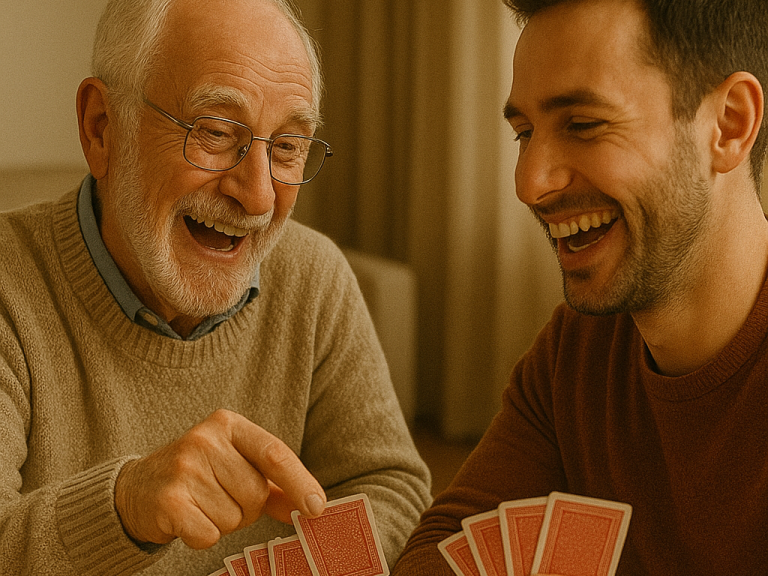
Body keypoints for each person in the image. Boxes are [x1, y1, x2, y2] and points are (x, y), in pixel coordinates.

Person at [0, 0, 431, 574]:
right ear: (101, 128)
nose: (258, 196)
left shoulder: (315, 278)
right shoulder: (9, 288)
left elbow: (390, 486)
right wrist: (125, 505)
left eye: (286, 147)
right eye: (216, 132)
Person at [394, 0, 768, 574]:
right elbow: (441, 548)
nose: (529, 183)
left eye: (584, 125)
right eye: (524, 133)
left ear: (729, 125)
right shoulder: (578, 349)